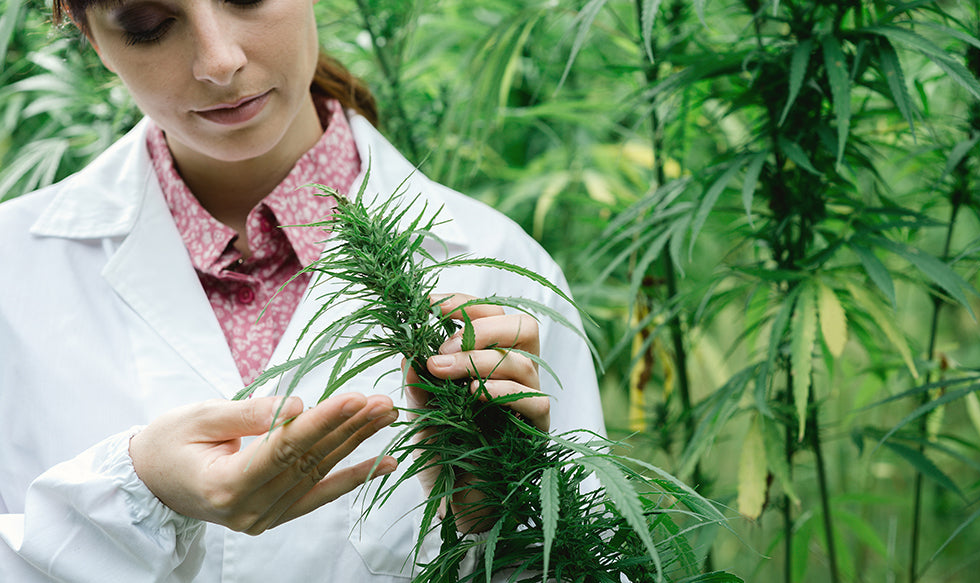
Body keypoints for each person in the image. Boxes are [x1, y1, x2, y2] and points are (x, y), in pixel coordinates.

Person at [0, 0, 604, 580]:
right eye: (148, 23)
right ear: (91, 36)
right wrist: (136, 493)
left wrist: (498, 524)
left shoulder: (494, 266)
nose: (219, 61)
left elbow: (599, 561)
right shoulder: (15, 269)